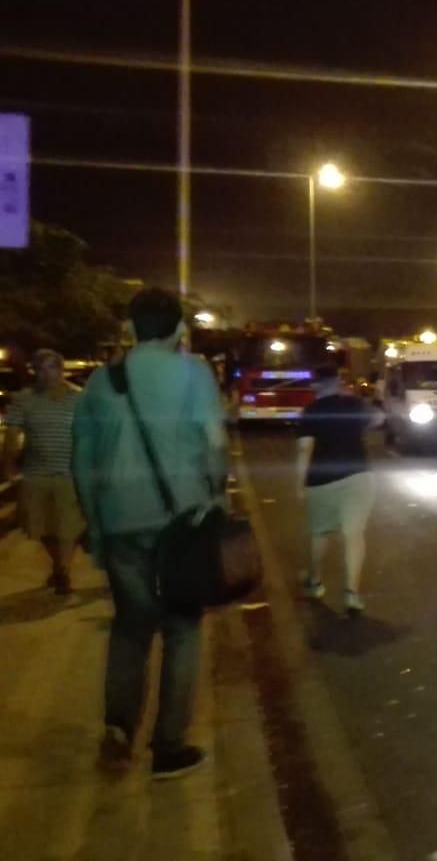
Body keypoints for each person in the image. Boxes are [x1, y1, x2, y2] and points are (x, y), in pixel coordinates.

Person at [72, 288, 228, 779]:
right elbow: (214, 445)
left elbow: (81, 464)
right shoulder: (194, 373)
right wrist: (216, 496)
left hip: (120, 523)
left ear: (131, 328)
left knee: (130, 629)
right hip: (181, 526)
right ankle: (168, 747)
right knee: (182, 630)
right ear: (180, 328)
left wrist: (95, 526)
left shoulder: (101, 382)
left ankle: (119, 727)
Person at [296, 365, 381, 616]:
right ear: (338, 382)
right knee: (354, 535)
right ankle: (352, 594)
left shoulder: (311, 411)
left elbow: (304, 449)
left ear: (315, 385)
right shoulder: (353, 404)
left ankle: (315, 582)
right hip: (359, 476)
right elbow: (378, 418)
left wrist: (299, 484)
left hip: (322, 479)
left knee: (319, 533)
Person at [2, 349, 85, 594]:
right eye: (41, 369)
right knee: (41, 528)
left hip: (69, 473)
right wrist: (9, 466)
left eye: (52, 368)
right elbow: (12, 434)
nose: (47, 374)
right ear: (34, 372)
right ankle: (59, 566)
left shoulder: (78, 399)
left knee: (68, 527)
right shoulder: (24, 399)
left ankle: (63, 571)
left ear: (61, 370)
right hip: (35, 473)